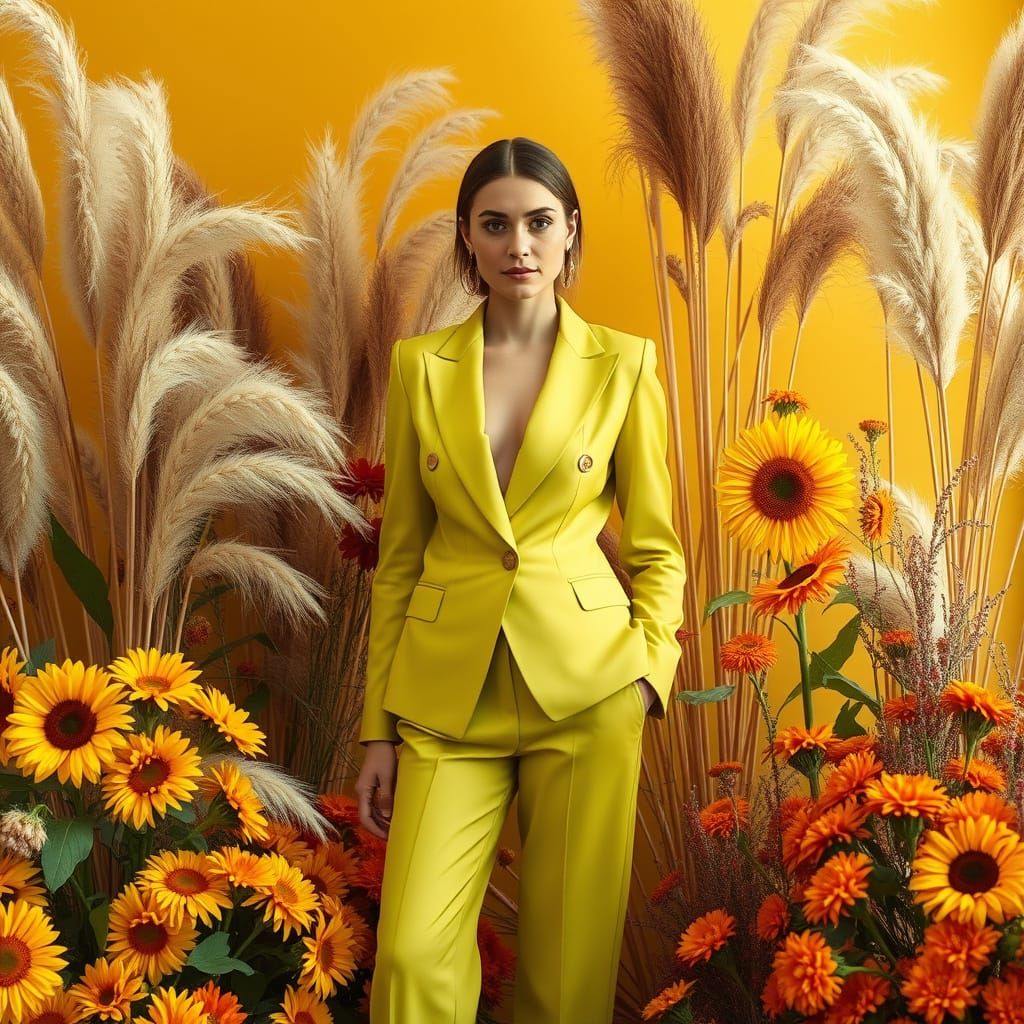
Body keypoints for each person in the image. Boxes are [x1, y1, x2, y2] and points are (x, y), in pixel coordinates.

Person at [355, 136, 687, 1023]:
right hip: (443, 693)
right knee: (413, 954)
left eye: (539, 223)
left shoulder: (625, 364)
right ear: (467, 238)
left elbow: (657, 548)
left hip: (587, 692)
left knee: (567, 976)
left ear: (571, 231)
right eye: (495, 225)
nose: (519, 245)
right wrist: (376, 730)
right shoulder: (420, 367)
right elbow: (398, 562)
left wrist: (649, 675)